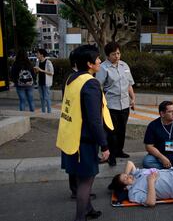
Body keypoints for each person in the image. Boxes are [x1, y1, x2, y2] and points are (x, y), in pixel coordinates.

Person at [56, 45, 113, 221]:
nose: (100, 61)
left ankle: (88, 209)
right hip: (84, 142)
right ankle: (80, 218)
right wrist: (104, 145)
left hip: (70, 137)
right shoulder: (90, 84)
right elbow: (94, 120)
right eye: (97, 59)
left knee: (81, 178)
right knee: (86, 182)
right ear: (89, 64)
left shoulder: (71, 78)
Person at [60, 48, 96, 200]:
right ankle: (78, 192)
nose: (98, 61)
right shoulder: (81, 80)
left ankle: (82, 196)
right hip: (79, 133)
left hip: (70, 130)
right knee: (81, 171)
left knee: (76, 167)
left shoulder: (72, 79)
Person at [96, 42, 136, 166]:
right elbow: (99, 86)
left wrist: (133, 99)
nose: (117, 56)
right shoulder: (103, 68)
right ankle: (110, 155)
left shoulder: (124, 65)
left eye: (118, 53)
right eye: (114, 54)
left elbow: (129, 84)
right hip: (110, 105)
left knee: (122, 130)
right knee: (111, 132)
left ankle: (119, 151)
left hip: (124, 104)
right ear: (108, 55)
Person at [108, 161, 173, 206]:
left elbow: (129, 163)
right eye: (125, 179)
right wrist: (151, 182)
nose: (128, 177)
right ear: (125, 187)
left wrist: (127, 175)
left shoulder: (135, 175)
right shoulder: (133, 193)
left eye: (126, 175)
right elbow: (151, 202)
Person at [142, 101, 173, 170]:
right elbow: (149, 147)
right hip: (160, 154)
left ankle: (168, 169)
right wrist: (162, 158)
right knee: (147, 162)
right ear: (162, 114)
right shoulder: (153, 125)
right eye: (170, 112)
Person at [34, 49, 54, 113]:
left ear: (42, 54)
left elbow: (51, 72)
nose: (37, 54)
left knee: (47, 98)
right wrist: (36, 70)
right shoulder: (38, 62)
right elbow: (37, 72)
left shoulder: (48, 62)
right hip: (40, 82)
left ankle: (49, 112)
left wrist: (41, 70)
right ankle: (43, 112)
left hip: (46, 83)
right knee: (41, 98)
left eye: (38, 53)